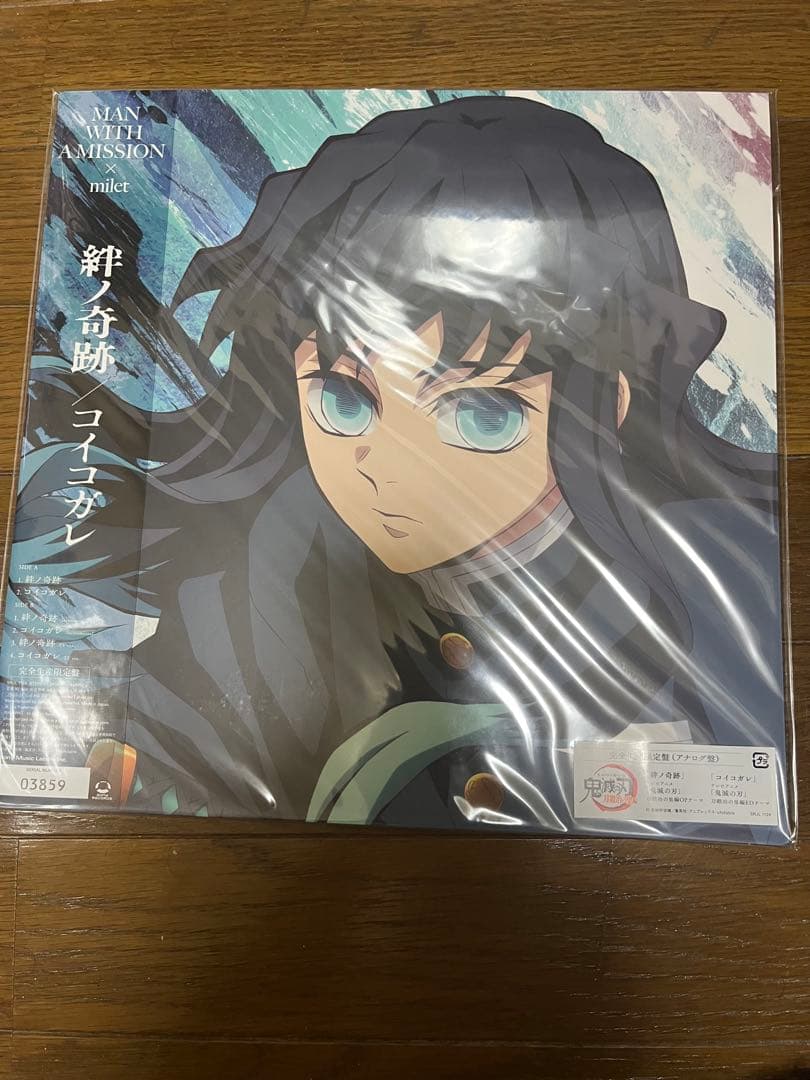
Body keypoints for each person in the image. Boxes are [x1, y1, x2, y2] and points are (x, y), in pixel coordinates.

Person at [18, 95, 785, 834]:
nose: (387, 470)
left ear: (609, 401)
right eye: (343, 399)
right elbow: (154, 724)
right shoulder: (287, 548)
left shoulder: (724, 589)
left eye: (481, 415)